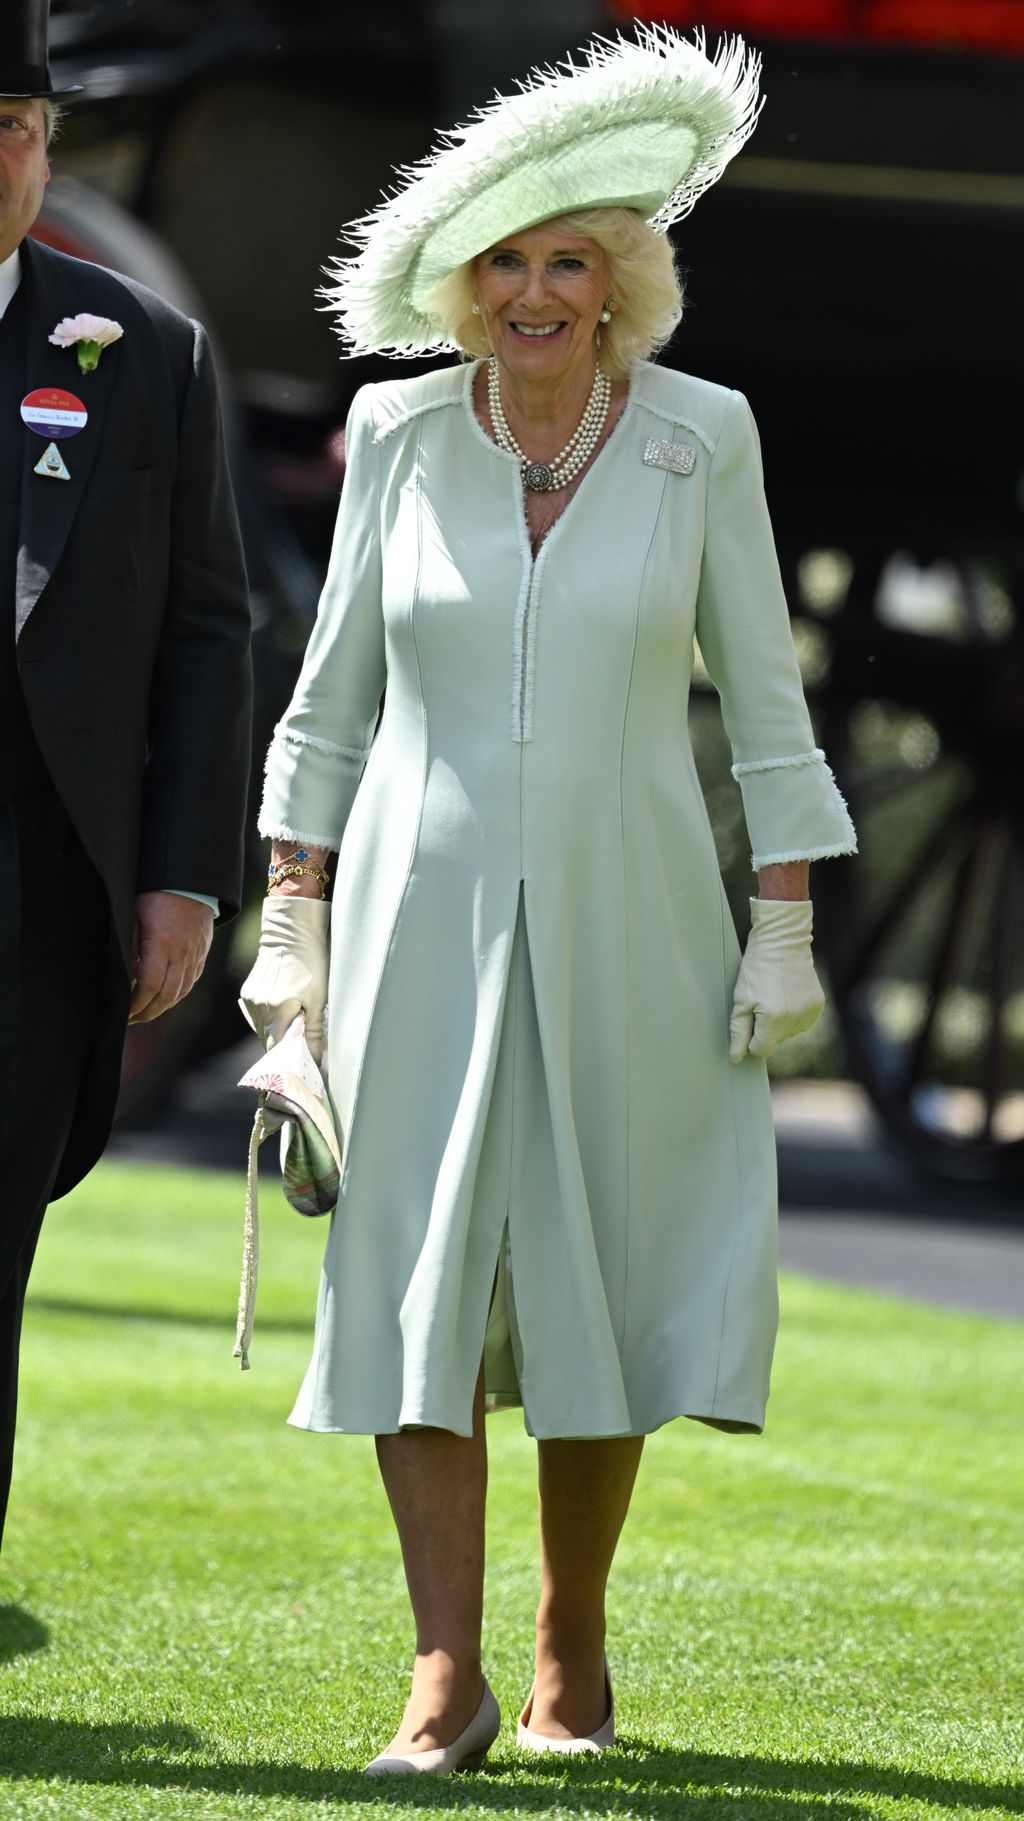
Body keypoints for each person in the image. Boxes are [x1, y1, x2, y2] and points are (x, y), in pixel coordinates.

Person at [240, 24, 856, 1775]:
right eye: (503, 261)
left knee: (606, 1264)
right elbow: (331, 700)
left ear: (620, 280)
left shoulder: (701, 436)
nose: (531, 294)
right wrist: (290, 920)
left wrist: (786, 920)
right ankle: (442, 1674)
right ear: (461, 282)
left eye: (567, 261)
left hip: (636, 918)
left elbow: (767, 700)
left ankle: (568, 1640)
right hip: (416, 922)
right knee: (416, 1270)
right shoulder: (394, 430)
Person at [0, 0, 252, 1549]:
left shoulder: (141, 351)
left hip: (36, 898)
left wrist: (183, 879)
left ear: (48, 151)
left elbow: (208, 630)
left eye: (15, 133)